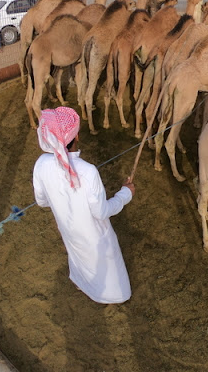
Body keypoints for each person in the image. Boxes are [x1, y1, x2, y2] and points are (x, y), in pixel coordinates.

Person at [32, 107, 135, 304]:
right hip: (95, 234)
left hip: (68, 229)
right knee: (108, 268)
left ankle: (82, 283)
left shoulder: (41, 164)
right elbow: (102, 211)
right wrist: (125, 194)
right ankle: (114, 296)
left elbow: (42, 201)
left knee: (78, 255)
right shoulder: (88, 171)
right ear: (76, 136)